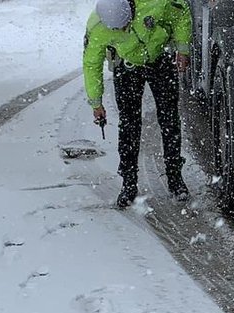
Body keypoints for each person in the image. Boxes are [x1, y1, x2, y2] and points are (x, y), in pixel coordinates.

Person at [83, 0, 192, 208]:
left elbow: (181, 15)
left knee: (169, 121)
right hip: (127, 66)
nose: (122, 31)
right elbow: (91, 64)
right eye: (117, 30)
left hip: (160, 59)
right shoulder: (97, 27)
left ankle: (175, 178)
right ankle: (129, 183)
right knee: (129, 126)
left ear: (131, 11)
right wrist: (96, 103)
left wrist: (182, 48)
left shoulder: (157, 3)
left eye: (125, 26)